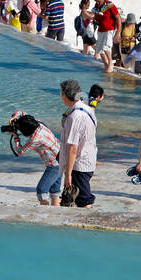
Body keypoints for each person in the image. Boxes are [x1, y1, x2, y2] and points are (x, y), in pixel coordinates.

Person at [7, 110, 63, 206]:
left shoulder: (35, 139)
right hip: (62, 158)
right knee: (54, 191)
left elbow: (20, 151)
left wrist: (16, 137)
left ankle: (44, 214)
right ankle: (55, 214)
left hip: (54, 164)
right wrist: (14, 117)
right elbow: (22, 112)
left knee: (41, 190)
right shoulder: (38, 123)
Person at [60, 79, 97, 208]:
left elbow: (72, 148)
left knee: (84, 201)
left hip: (79, 165)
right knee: (82, 198)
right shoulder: (88, 109)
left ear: (64, 95)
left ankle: (88, 225)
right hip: (89, 159)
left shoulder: (74, 116)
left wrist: (68, 175)